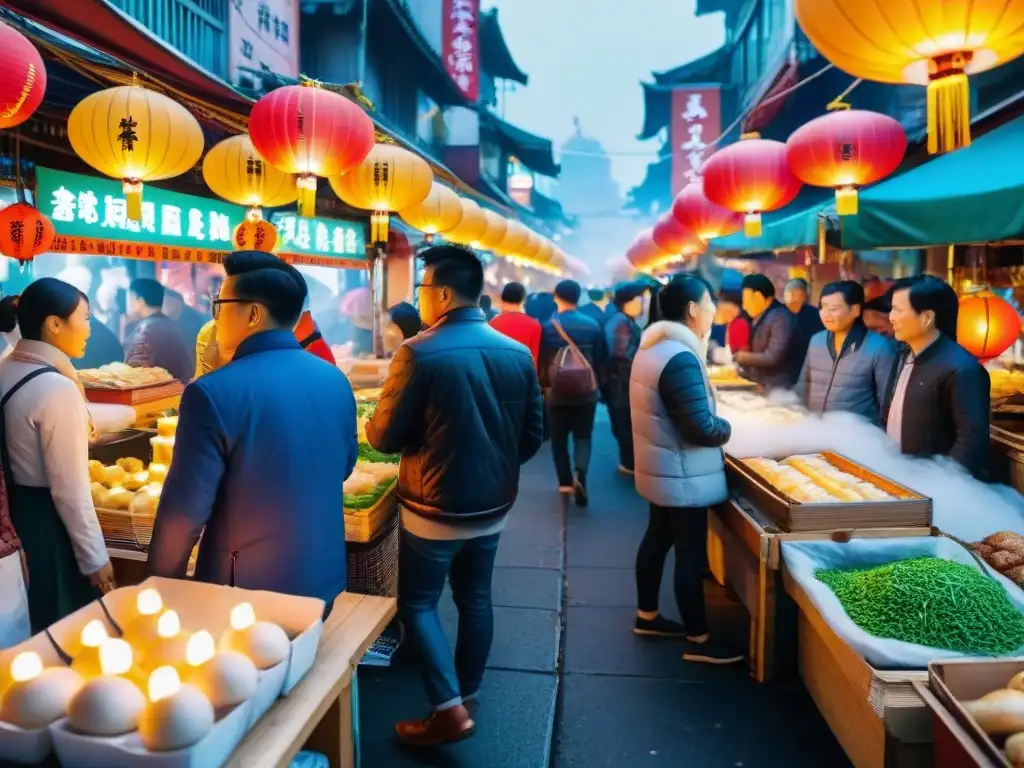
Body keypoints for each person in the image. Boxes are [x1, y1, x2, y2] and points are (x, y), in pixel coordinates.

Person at [365, 244, 543, 747]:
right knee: (476, 597)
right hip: (492, 505)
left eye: (421, 289)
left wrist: (375, 421)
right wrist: (494, 469)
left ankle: (447, 709)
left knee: (417, 603)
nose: (418, 299)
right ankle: (468, 693)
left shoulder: (417, 352)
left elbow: (385, 437)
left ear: (441, 293)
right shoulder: (515, 351)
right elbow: (531, 434)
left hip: (433, 509)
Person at [148, 251, 358, 607]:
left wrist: (157, 591)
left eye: (220, 304)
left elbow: (183, 515)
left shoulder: (212, 393)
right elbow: (345, 466)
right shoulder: (334, 378)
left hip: (246, 596)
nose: (216, 316)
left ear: (253, 313)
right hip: (325, 580)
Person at [630, 275, 742, 664]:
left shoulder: (653, 348)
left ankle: (647, 616)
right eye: (709, 302)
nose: (713, 309)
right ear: (693, 309)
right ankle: (698, 637)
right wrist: (732, 429)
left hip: (663, 467)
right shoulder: (679, 356)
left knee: (657, 538)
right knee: (690, 555)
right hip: (683, 474)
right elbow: (700, 427)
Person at [0, 282, 113, 634]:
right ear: (54, 324)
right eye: (85, 318)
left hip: (13, 521)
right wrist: (96, 559)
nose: (90, 328)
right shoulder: (57, 388)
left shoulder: (5, 368)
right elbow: (70, 490)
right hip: (47, 528)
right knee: (60, 631)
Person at [884, 275, 990, 479]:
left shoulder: (961, 368)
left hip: (934, 489)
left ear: (926, 318)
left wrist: (942, 487)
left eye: (898, 310)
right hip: (901, 480)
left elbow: (971, 442)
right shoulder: (902, 355)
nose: (891, 317)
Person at [540, 279, 605, 505]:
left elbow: (541, 361)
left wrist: (544, 384)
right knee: (583, 436)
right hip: (586, 392)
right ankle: (581, 474)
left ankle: (565, 482)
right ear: (579, 297)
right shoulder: (593, 325)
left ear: (556, 297)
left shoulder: (548, 327)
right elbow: (601, 359)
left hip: (556, 392)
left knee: (558, 439)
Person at [796, 281, 898, 423]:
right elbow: (803, 385)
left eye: (833, 308)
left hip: (856, 435)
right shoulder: (816, 340)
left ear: (855, 310)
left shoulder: (879, 347)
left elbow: (887, 403)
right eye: (822, 307)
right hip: (816, 431)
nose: (826, 314)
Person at [604, 282, 644, 474]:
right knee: (625, 424)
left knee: (625, 424)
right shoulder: (621, 324)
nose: (642, 303)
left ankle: (629, 462)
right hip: (621, 386)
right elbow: (621, 357)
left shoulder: (623, 321)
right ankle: (629, 464)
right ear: (628, 302)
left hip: (620, 385)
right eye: (639, 299)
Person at [735, 274, 800, 389]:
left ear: (759, 297)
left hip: (779, 390)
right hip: (764, 386)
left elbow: (772, 357)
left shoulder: (780, 318)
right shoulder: (762, 316)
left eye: (746, 300)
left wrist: (741, 357)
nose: (744, 306)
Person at [123, 278, 193, 383]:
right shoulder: (174, 327)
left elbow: (134, 378)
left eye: (130, 299)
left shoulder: (144, 332)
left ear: (140, 301)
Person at [490, 282, 542, 369]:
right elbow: (533, 359)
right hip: (523, 377)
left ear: (502, 298)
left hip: (498, 376)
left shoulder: (492, 324)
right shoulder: (534, 325)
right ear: (523, 300)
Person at [784, 278, 825, 365]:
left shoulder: (815, 314)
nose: (791, 295)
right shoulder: (778, 313)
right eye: (789, 292)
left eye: (795, 292)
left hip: (809, 360)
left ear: (804, 296)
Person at [163, 288, 207, 354]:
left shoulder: (193, 318)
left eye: (166, 301)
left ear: (176, 301)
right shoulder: (165, 318)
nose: (163, 305)